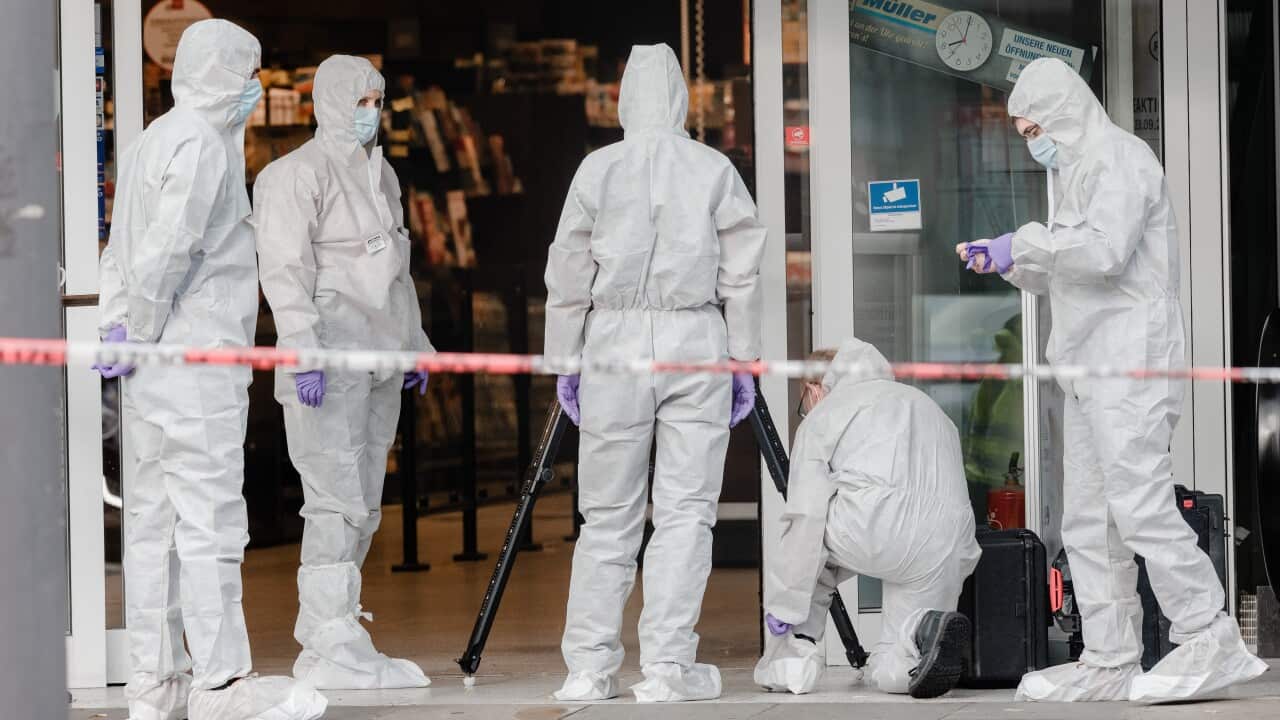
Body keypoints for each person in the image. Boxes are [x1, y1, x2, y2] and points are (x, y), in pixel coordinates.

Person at [958, 57, 1267, 703]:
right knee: (1088, 521)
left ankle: (1210, 636)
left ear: (1062, 110)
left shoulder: (1120, 161)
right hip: (1090, 371)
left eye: (1031, 126)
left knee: (1142, 507)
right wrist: (1011, 261)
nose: (1029, 140)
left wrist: (1030, 243)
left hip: (1132, 364)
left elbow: (1104, 252)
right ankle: (1109, 655)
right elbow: (1070, 267)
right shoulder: (1076, 175)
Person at [95, 19, 327, 720]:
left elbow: (120, 246)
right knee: (210, 524)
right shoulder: (202, 145)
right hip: (193, 360)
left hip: (151, 370)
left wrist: (118, 325)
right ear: (221, 71)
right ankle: (222, 683)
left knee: (152, 527)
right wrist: (143, 324)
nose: (255, 87)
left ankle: (154, 682)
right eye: (248, 70)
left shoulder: (148, 143)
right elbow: (168, 247)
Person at [544, 43, 766, 702]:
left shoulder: (596, 169)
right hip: (693, 337)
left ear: (622, 97)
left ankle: (587, 665)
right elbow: (743, 269)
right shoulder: (711, 168)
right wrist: (742, 359)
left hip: (612, 342)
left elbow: (568, 267)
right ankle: (667, 667)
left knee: (606, 515)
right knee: (684, 514)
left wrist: (565, 358)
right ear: (679, 97)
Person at [253, 54, 433, 690]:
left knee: (363, 504)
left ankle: (339, 629)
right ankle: (326, 638)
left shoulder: (382, 177)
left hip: (378, 357)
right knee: (332, 500)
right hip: (326, 364)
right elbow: (285, 273)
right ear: (328, 100)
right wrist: (303, 351)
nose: (371, 112)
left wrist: (415, 345)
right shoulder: (292, 176)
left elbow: (397, 268)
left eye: (377, 100)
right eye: (360, 100)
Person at [755, 339, 982, 699]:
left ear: (815, 390)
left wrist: (786, 602)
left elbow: (805, 517)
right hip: (946, 546)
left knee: (807, 546)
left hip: (875, 530)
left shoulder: (824, 416)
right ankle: (919, 632)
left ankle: (793, 660)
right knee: (898, 667)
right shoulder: (928, 406)